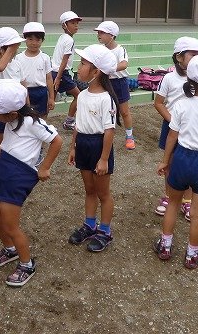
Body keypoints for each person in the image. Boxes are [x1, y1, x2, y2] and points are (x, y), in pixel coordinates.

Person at [0, 79, 62, 287]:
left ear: (12, 113)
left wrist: (44, 167)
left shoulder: (33, 123)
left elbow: (56, 140)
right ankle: (10, 250)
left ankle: (27, 263)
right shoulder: (10, 120)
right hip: (2, 167)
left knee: (10, 225)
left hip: (18, 175)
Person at [154, 54, 198, 269]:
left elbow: (172, 136)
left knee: (173, 203)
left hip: (181, 158)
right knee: (197, 213)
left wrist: (165, 161)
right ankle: (192, 254)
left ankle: (165, 245)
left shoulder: (181, 105)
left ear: (190, 79)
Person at [67, 44, 118, 253]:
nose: (79, 68)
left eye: (83, 64)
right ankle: (89, 225)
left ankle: (105, 231)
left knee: (103, 193)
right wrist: (73, 147)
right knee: (89, 189)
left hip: (99, 146)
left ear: (96, 72)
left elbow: (109, 131)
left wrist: (104, 158)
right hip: (83, 145)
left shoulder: (106, 99)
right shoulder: (82, 95)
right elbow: (78, 125)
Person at [153, 37, 198, 221]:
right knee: (169, 163)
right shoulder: (169, 78)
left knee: (188, 164)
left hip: (192, 128)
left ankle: (187, 200)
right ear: (179, 57)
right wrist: (173, 121)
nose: (196, 59)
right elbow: (159, 103)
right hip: (171, 127)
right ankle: (169, 197)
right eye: (192, 54)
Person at [94, 20, 135, 150]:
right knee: (104, 110)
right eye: (98, 32)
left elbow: (124, 64)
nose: (99, 35)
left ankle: (129, 136)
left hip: (119, 83)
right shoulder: (100, 49)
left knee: (124, 111)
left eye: (102, 32)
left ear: (112, 35)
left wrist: (109, 68)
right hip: (104, 82)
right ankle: (102, 134)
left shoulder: (120, 49)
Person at [0, 27, 25, 158]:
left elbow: (23, 85)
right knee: (0, 139)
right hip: (0, 108)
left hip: (17, 107)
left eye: (16, 49)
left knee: (16, 137)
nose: (15, 52)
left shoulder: (17, 63)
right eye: (13, 49)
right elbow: (0, 67)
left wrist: (27, 106)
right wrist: (10, 49)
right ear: (0, 49)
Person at [16, 22, 55, 119]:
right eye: (30, 39)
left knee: (42, 117)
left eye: (38, 40)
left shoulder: (45, 58)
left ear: (42, 40)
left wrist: (51, 97)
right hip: (25, 92)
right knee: (25, 118)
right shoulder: (18, 58)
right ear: (24, 39)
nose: (34, 43)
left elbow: (49, 78)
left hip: (41, 92)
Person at [51, 10, 82, 130]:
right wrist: (59, 78)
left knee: (50, 100)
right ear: (64, 25)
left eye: (77, 23)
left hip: (55, 72)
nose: (76, 26)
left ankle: (39, 123)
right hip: (61, 73)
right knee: (79, 96)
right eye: (72, 23)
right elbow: (65, 59)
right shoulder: (69, 40)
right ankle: (69, 121)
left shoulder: (63, 37)